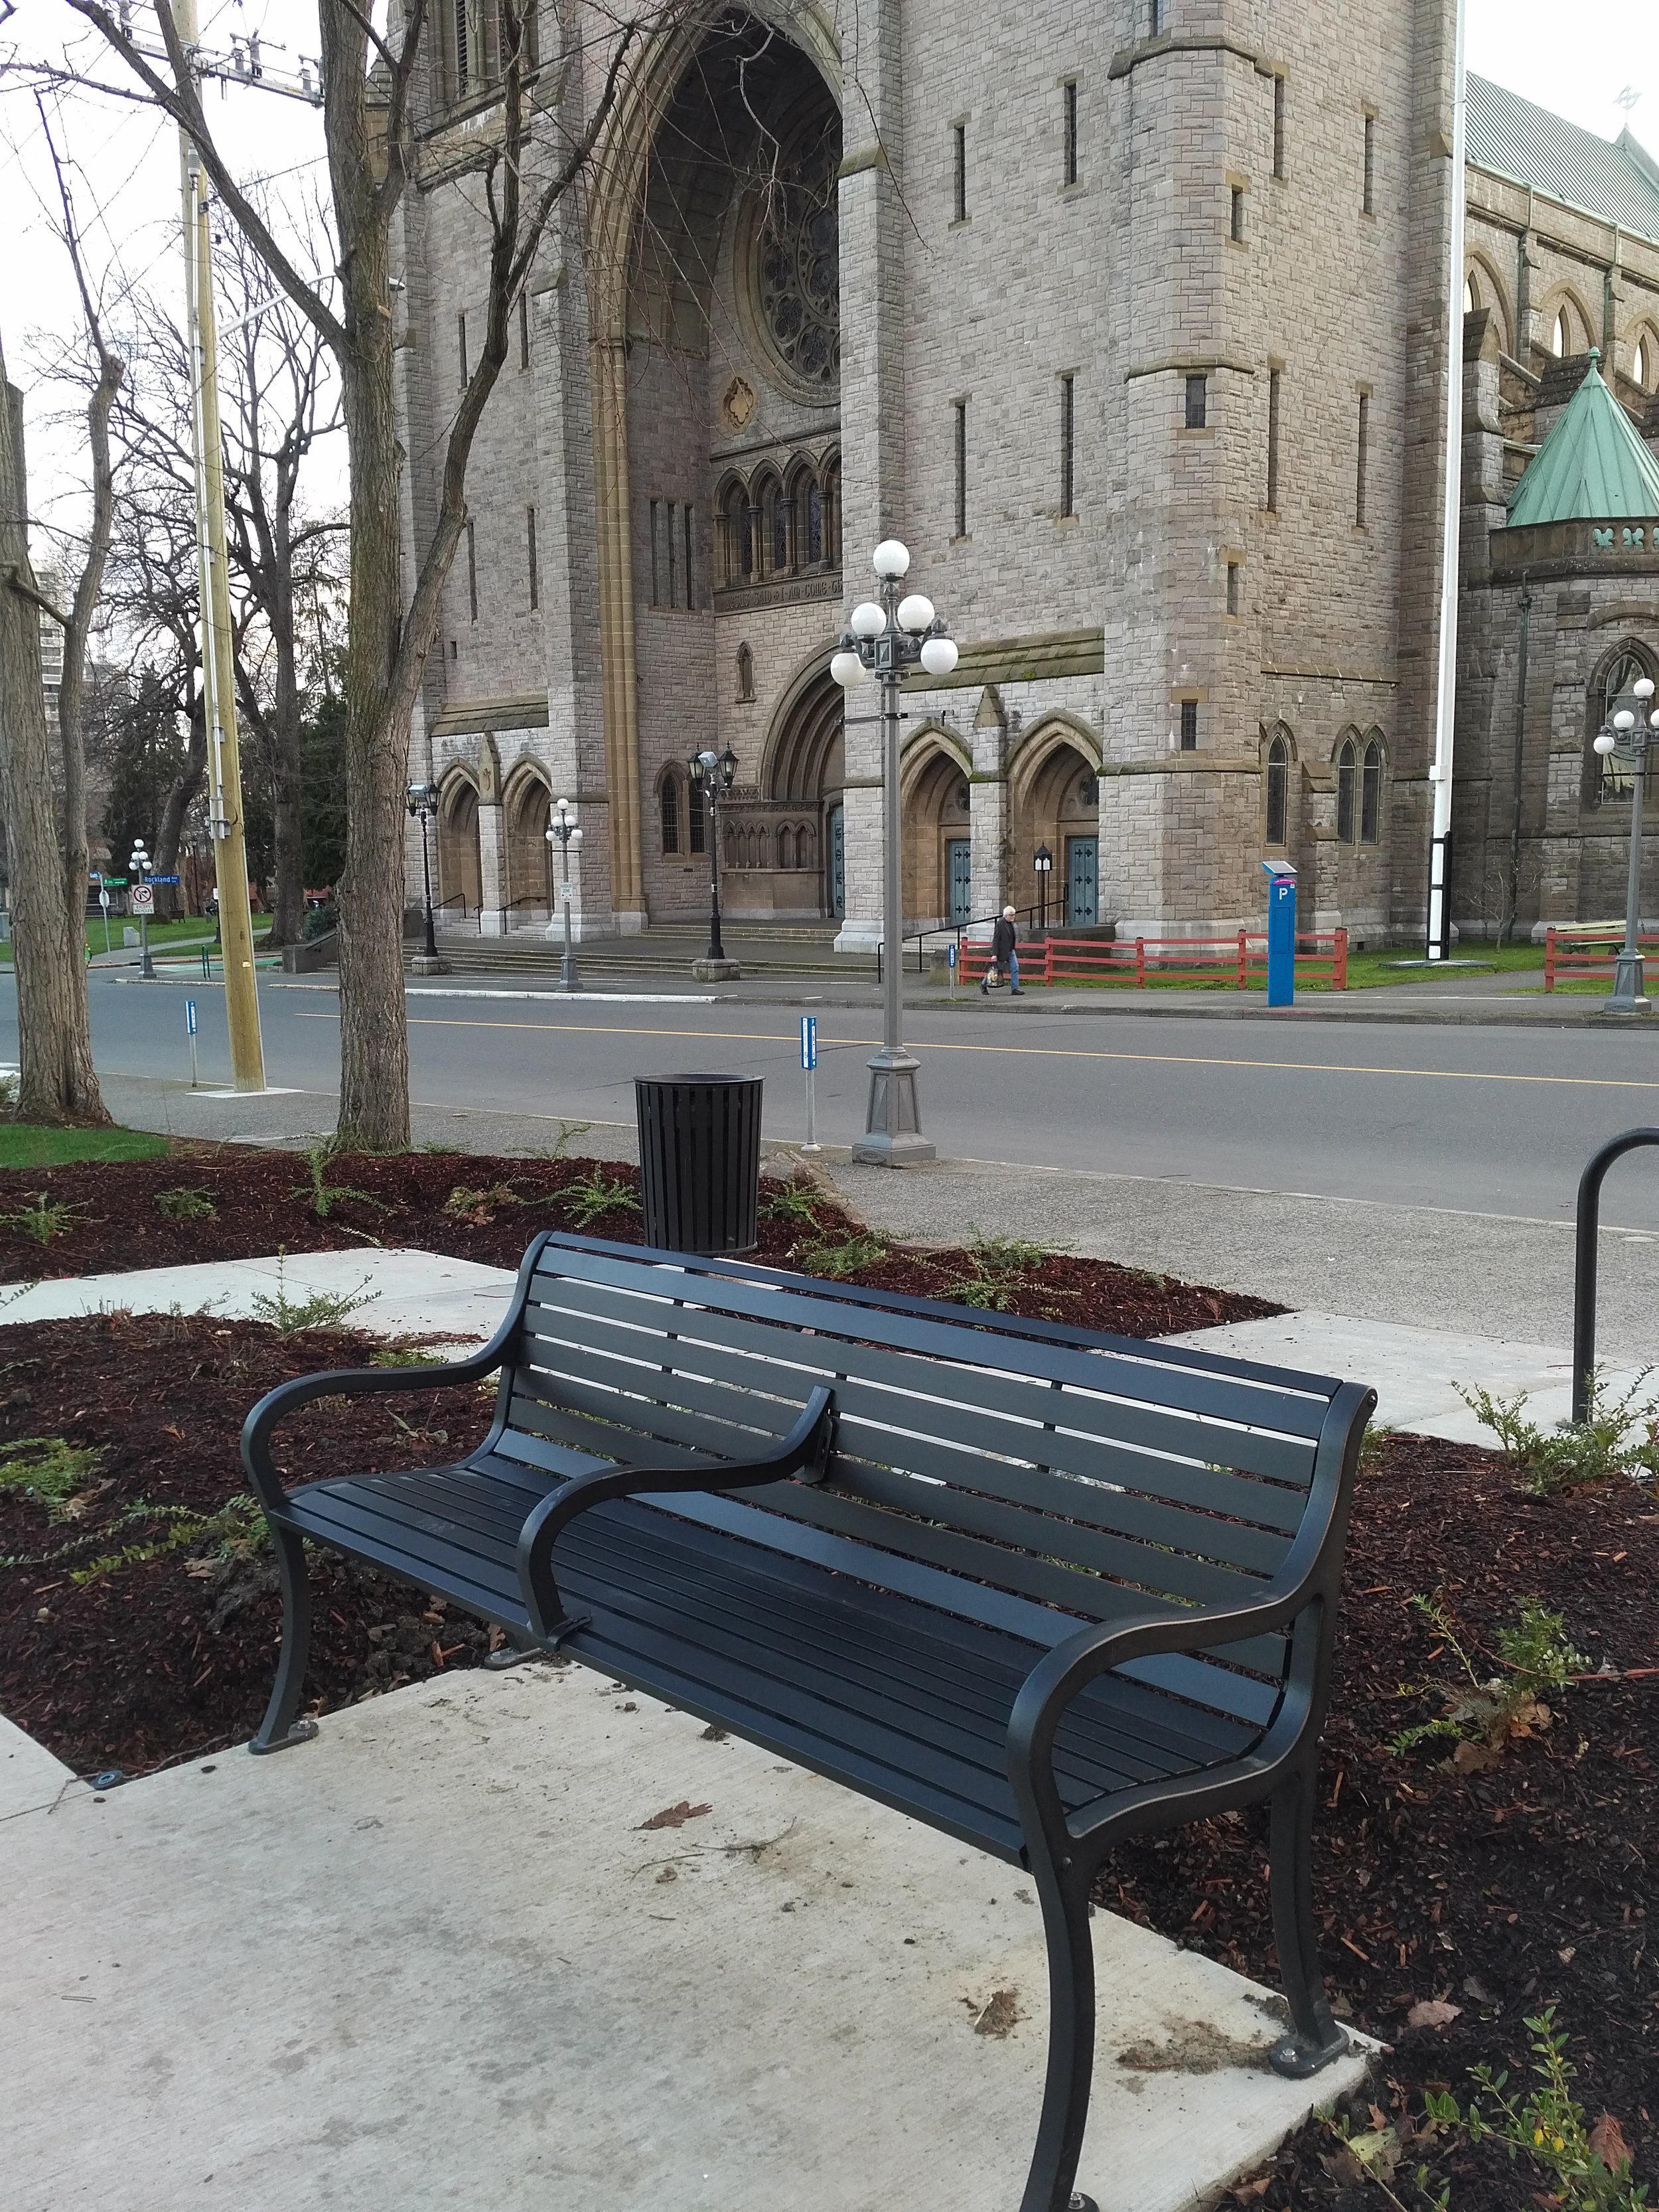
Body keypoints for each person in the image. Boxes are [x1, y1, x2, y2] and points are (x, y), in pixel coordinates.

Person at [981, 905, 1023, 995]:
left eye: (1014, 915)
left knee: (1015, 968)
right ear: (1006, 915)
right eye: (1011, 915)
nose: (1013, 917)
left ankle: (1015, 988)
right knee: (995, 970)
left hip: (1010, 950)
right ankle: (984, 984)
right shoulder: (1000, 924)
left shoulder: (1010, 924)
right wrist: (994, 954)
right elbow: (996, 939)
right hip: (1001, 952)